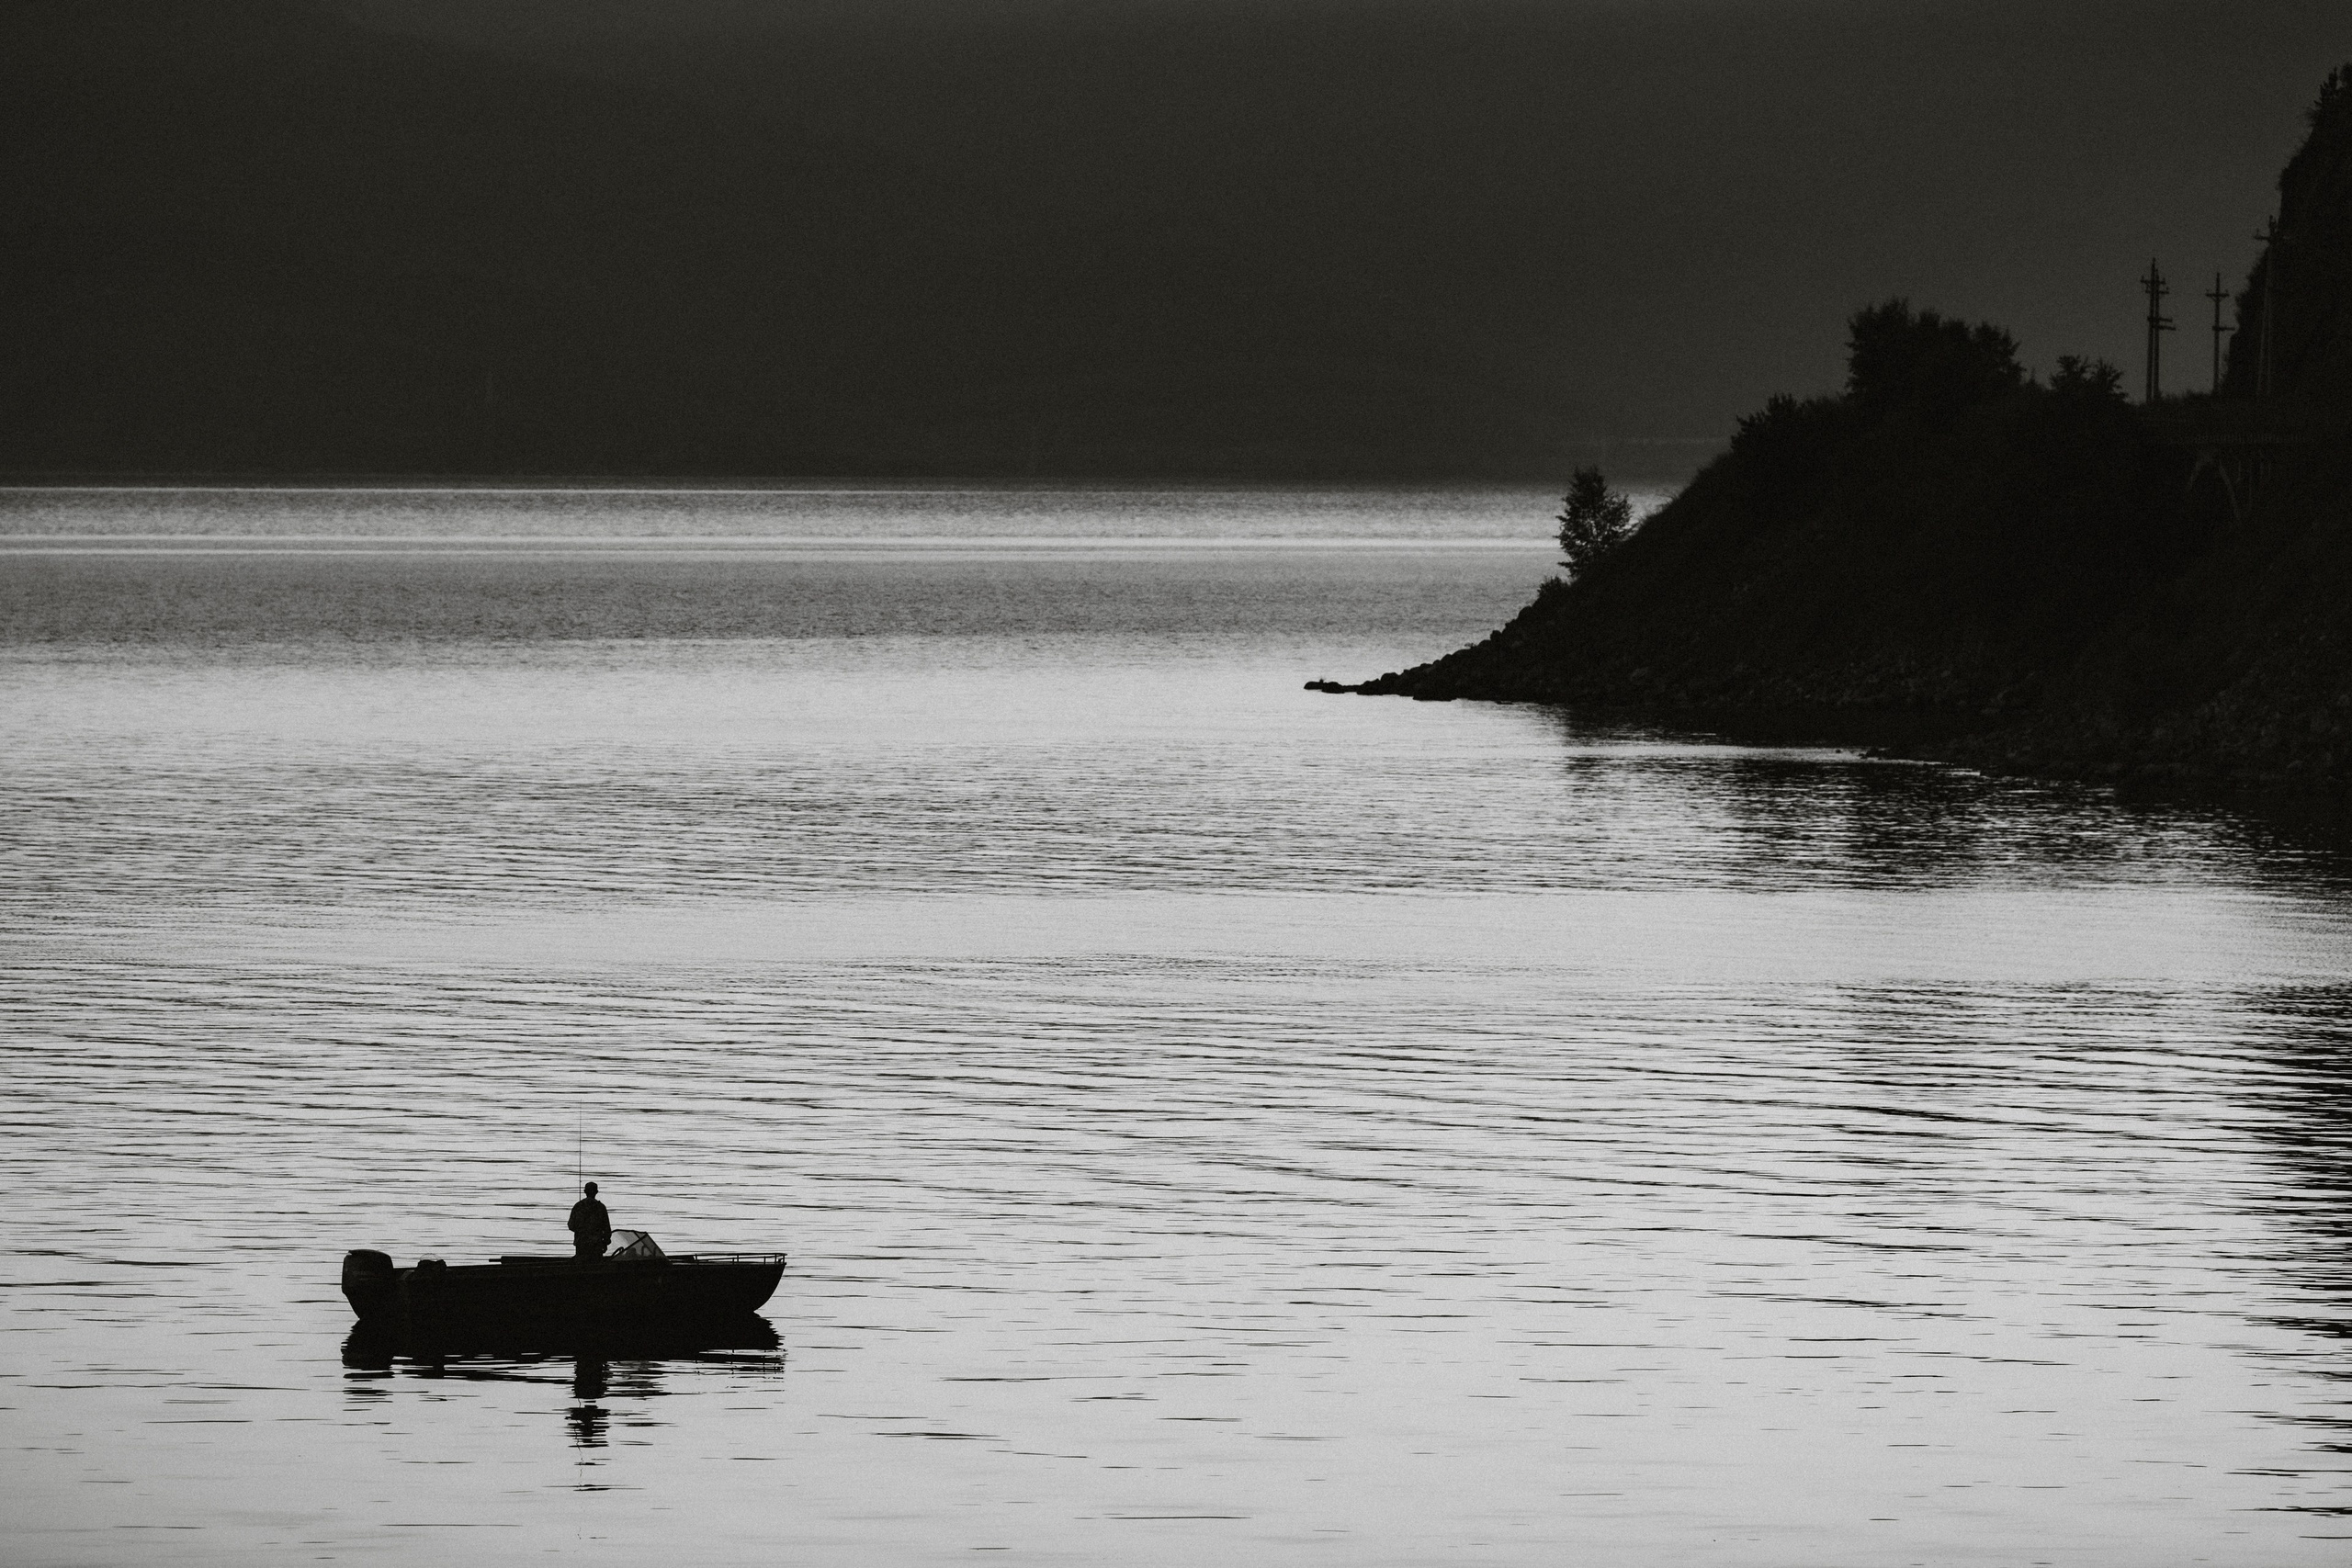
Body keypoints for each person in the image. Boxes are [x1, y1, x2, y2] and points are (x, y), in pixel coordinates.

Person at [568, 1181, 612, 1260]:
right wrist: (605, 1242)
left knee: (581, 1265)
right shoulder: (601, 1207)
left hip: (581, 1243)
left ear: (585, 1192)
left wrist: (581, 1231)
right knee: (596, 1265)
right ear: (596, 1192)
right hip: (596, 1244)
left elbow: (571, 1225)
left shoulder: (578, 1206)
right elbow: (607, 1229)